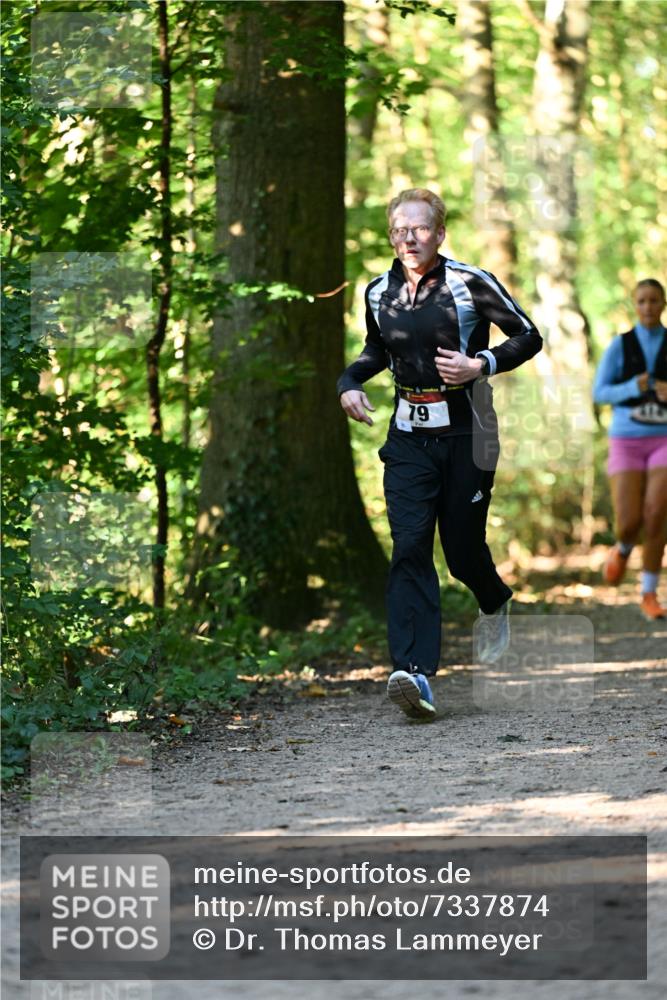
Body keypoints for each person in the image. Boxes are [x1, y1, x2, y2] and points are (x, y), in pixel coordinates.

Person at [337, 188, 542, 721]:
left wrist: (481, 365)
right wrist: (349, 382)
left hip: (470, 432)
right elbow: (377, 350)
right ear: (391, 235)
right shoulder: (378, 291)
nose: (409, 238)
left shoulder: (470, 282)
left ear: (440, 233)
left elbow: (528, 335)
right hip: (408, 435)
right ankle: (415, 674)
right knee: (409, 545)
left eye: (420, 228)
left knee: (461, 551)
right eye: (400, 229)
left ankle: (493, 598)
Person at [593, 278, 667, 620]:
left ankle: (649, 593)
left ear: (663, 304)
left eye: (654, 300)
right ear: (635, 305)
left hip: (664, 439)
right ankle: (622, 549)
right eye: (642, 301)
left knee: (656, 514)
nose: (648, 306)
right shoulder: (620, 346)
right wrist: (631, 388)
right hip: (626, 440)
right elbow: (599, 393)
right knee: (629, 522)